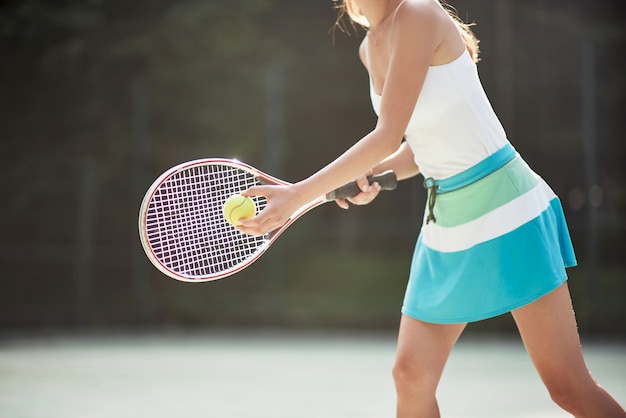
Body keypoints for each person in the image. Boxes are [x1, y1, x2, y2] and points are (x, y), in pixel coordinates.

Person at [239, 0, 626, 416]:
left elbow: (386, 135)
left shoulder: (418, 14)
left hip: (508, 209)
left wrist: (298, 194)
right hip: (445, 224)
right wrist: (374, 173)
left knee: (568, 388)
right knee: (410, 376)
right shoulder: (370, 48)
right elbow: (417, 147)